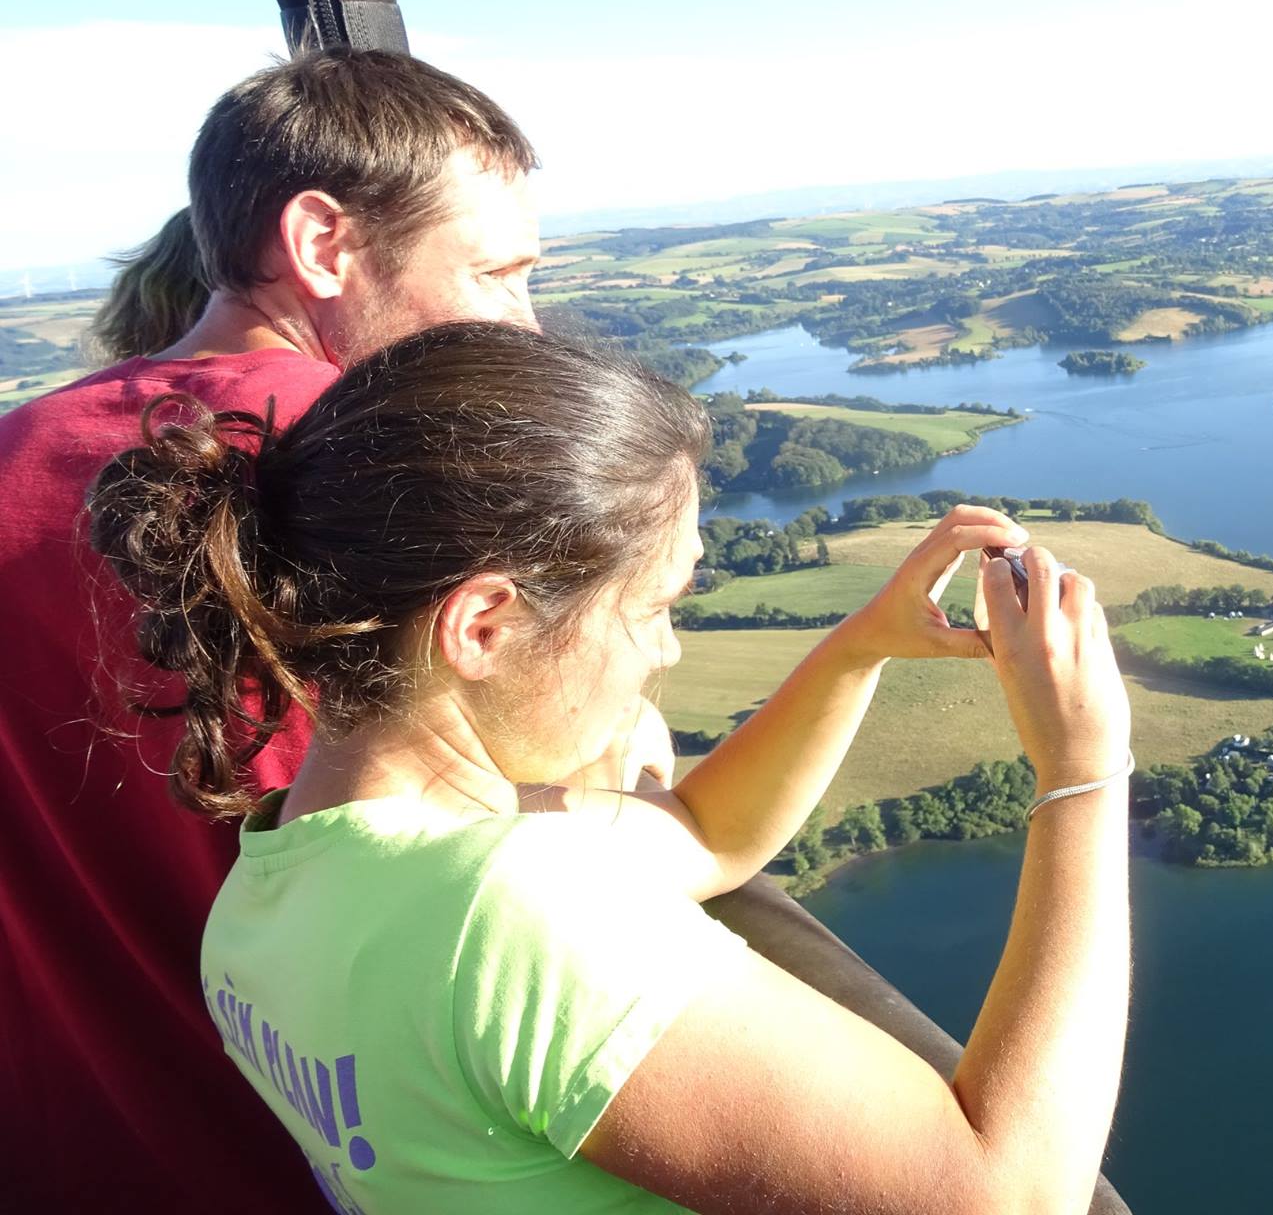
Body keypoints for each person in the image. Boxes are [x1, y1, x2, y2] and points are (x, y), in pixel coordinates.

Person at [89, 322, 1134, 1212]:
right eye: (655, 608)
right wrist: (1085, 770)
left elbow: (705, 837)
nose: (666, 651)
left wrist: (860, 643)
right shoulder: (510, 915)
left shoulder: (272, 892)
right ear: (486, 624)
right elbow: (1008, 1191)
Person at [0, 48, 542, 1207]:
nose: (523, 329)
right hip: (342, 1148)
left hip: (64, 1136)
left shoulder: (16, 451)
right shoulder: (386, 478)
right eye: (497, 275)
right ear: (322, 244)